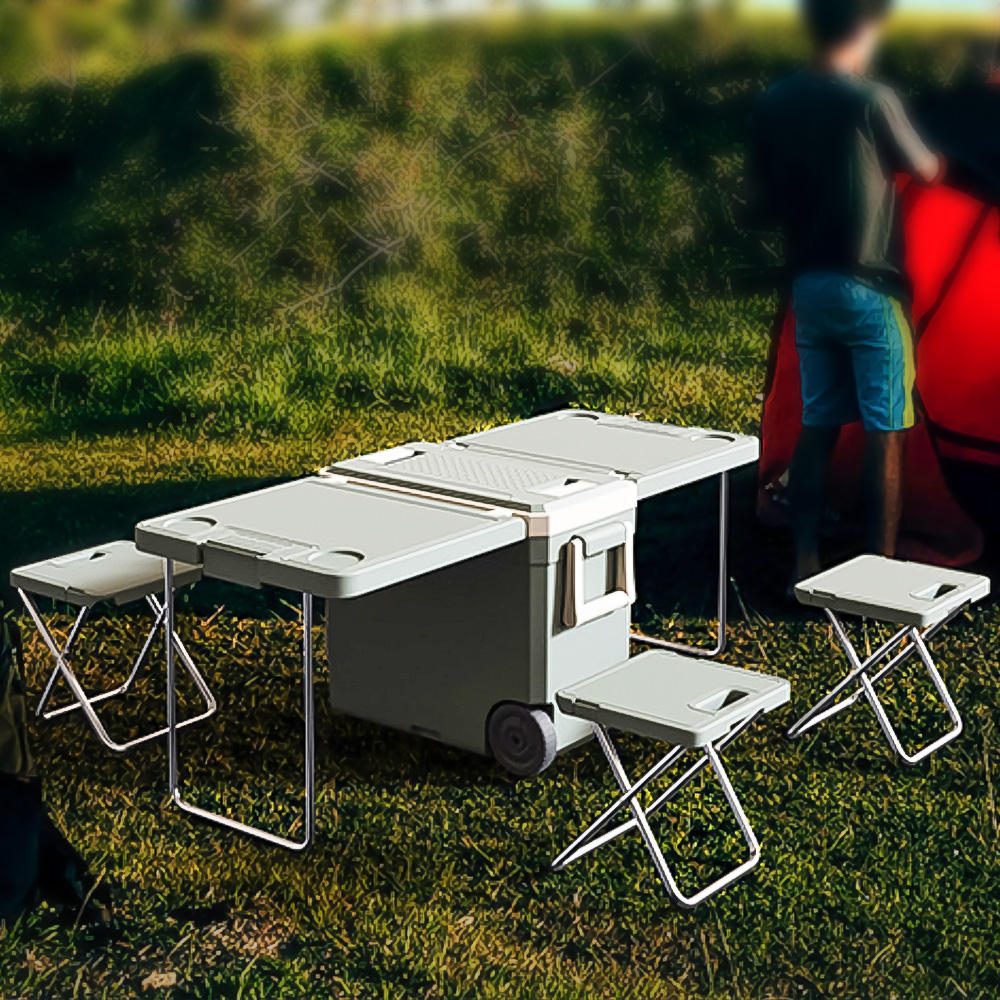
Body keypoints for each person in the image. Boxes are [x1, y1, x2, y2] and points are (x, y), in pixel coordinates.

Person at [749, 0, 944, 584]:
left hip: (809, 285)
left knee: (819, 423)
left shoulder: (774, 101)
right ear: (860, 33)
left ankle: (804, 563)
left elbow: (762, 199)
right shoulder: (870, 100)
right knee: (887, 430)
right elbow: (927, 168)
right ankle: (877, 575)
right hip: (871, 285)